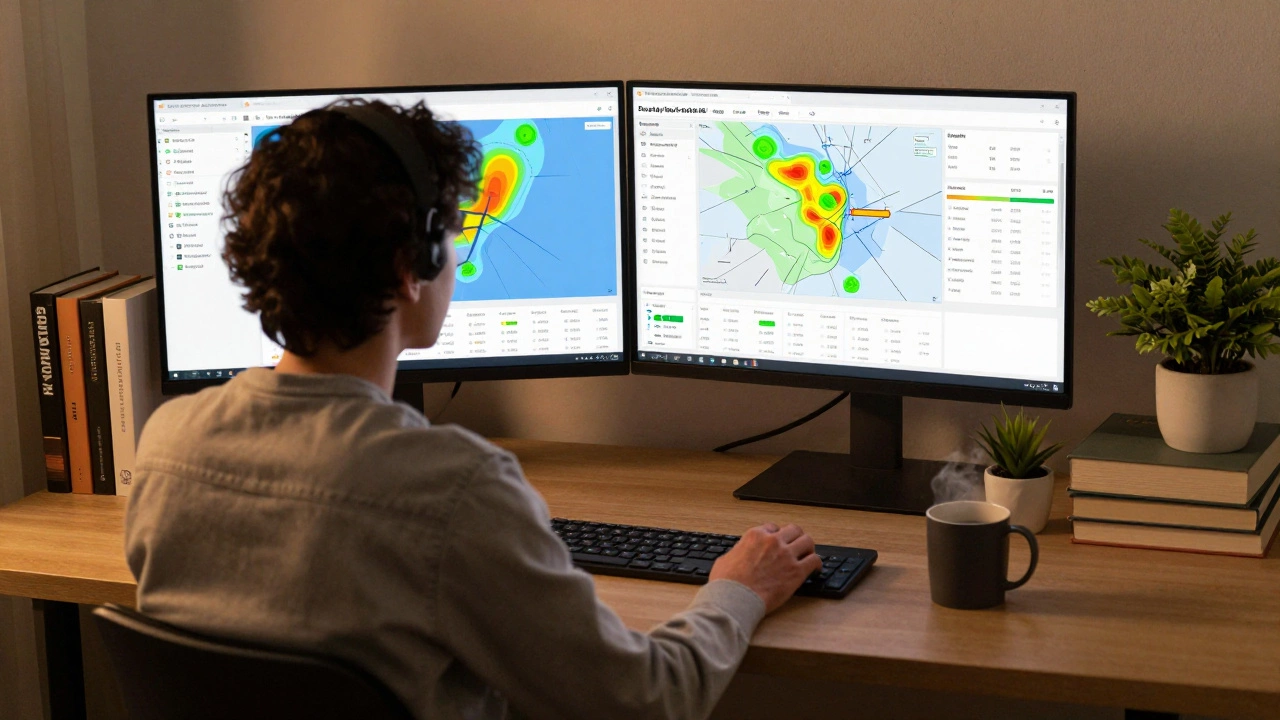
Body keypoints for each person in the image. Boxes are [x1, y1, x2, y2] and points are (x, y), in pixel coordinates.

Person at [125, 99, 824, 720]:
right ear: (414, 263)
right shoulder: (454, 489)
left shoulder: (167, 445)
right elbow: (648, 698)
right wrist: (737, 590)